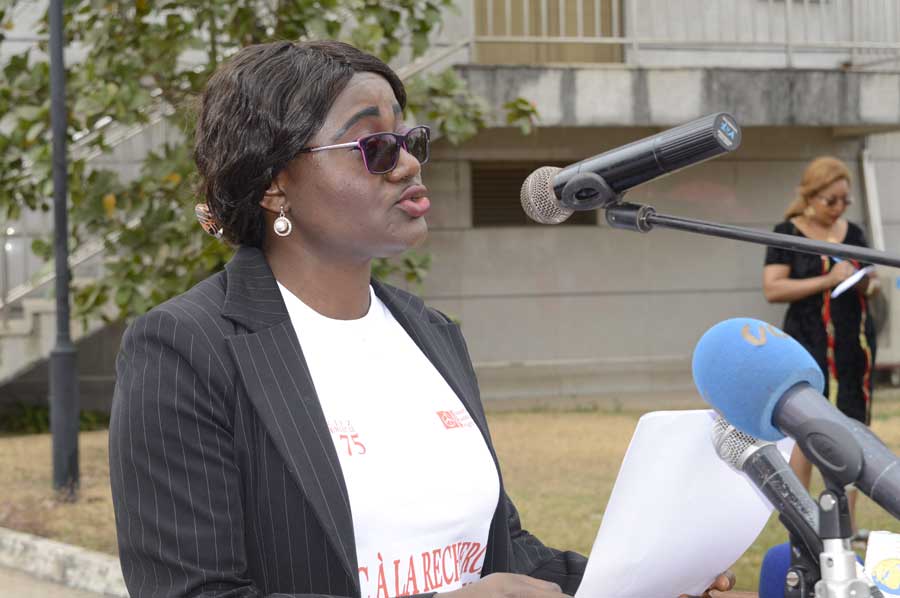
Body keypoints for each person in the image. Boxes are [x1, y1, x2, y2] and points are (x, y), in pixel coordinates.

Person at [109, 40, 735, 598]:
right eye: (374, 147)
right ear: (276, 184)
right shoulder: (187, 348)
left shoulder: (428, 332)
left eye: (410, 142)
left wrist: (648, 585)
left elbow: (501, 552)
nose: (408, 163)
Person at [762, 156, 878, 528]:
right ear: (810, 196)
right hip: (806, 343)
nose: (839, 208)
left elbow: (871, 282)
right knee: (807, 428)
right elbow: (773, 288)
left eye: (845, 200)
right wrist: (828, 279)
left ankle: (847, 526)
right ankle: (804, 523)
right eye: (831, 200)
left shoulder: (853, 233)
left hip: (852, 344)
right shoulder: (787, 233)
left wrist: (866, 283)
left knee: (853, 428)